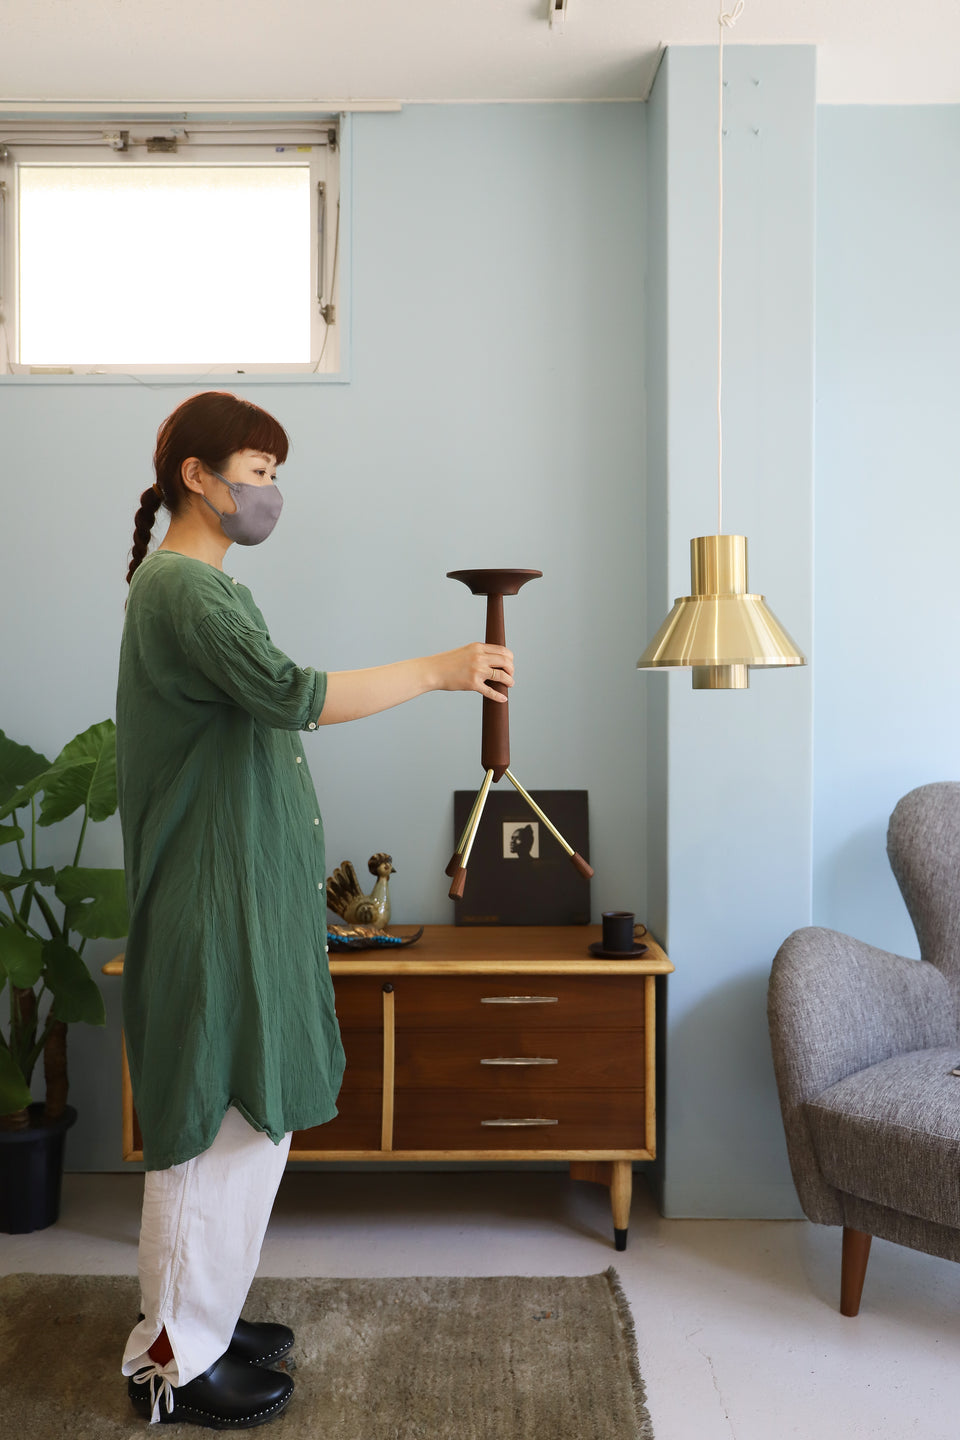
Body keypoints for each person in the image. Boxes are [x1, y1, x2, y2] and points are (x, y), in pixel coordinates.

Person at [117, 391, 514, 1428]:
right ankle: (170, 1361)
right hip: (212, 898)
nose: (269, 491)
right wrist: (442, 669)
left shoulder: (206, 590)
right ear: (197, 478)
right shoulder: (185, 594)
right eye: (255, 469)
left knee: (251, 1118)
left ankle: (200, 1314)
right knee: (211, 1127)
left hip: (242, 888)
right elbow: (297, 696)